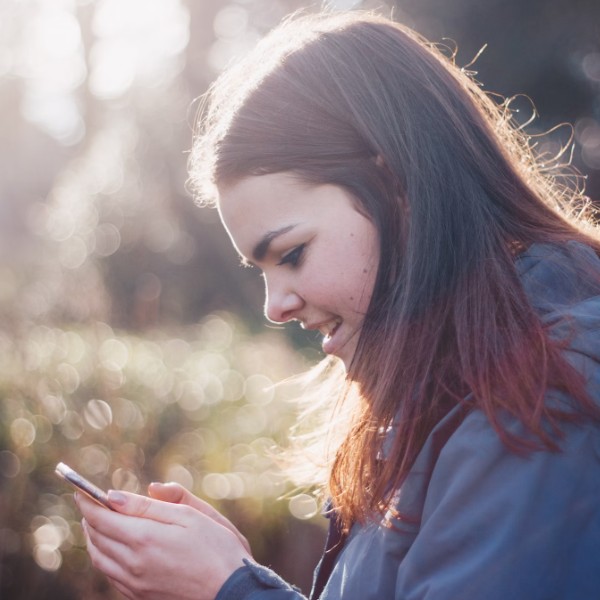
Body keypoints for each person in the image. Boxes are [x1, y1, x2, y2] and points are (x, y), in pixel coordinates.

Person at [76, 10, 600, 600]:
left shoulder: (549, 388)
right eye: (261, 271)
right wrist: (234, 577)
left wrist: (229, 590)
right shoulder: (446, 383)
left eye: (293, 253)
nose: (276, 306)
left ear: (396, 185)